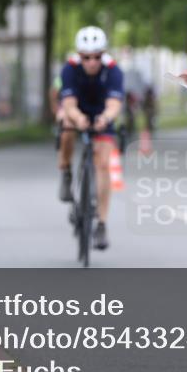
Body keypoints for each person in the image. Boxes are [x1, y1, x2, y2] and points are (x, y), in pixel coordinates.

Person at [56, 26, 124, 250]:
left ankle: (102, 224)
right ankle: (65, 172)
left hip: (102, 116)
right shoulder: (70, 69)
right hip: (78, 113)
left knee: (103, 164)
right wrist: (78, 119)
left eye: (97, 56)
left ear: (103, 54)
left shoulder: (113, 70)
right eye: (86, 57)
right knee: (66, 126)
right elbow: (68, 104)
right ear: (79, 55)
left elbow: (115, 104)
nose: (92, 62)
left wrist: (105, 118)